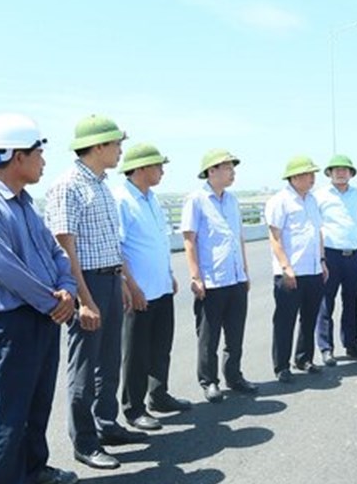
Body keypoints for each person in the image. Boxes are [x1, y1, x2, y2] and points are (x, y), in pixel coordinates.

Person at [0, 114, 79, 484]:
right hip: (12, 325)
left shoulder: (24, 202)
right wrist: (54, 301)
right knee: (9, 414)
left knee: (37, 406)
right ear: (19, 157)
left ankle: (33, 469)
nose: (43, 161)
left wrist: (68, 290)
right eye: (39, 153)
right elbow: (3, 267)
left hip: (44, 316)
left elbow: (56, 254)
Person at [46, 115, 144, 471]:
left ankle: (107, 424)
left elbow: (108, 242)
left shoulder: (101, 185)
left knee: (108, 359)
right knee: (85, 366)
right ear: (98, 146)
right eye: (116, 144)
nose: (121, 150)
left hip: (107, 278)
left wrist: (121, 281)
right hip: (84, 281)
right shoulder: (69, 185)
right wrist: (84, 299)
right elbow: (64, 248)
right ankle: (85, 442)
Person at [115, 143, 191, 433]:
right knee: (135, 353)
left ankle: (159, 394)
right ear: (142, 168)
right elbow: (118, 248)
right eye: (158, 165)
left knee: (161, 347)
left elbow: (159, 241)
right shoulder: (122, 199)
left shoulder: (152, 199)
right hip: (139, 291)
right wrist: (131, 286)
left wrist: (169, 273)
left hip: (160, 286)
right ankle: (134, 409)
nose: (162, 170)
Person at [181, 149, 258, 400]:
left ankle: (234, 376)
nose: (232, 172)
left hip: (235, 278)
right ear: (211, 171)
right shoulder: (196, 200)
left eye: (232, 168)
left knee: (235, 334)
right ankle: (209, 381)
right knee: (209, 336)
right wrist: (195, 277)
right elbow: (189, 240)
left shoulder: (232, 200)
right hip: (211, 281)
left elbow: (238, 237)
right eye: (227, 168)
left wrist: (244, 272)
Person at [265, 155, 328, 383]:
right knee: (285, 320)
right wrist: (285, 267)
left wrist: (322, 260)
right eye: (308, 174)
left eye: (313, 174)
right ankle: (281, 366)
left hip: (313, 270)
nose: (312, 178)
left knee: (309, 318)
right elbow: (275, 237)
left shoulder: (312, 200)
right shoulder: (279, 201)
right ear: (295, 177)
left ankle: (303, 358)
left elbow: (317, 232)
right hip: (290, 272)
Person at [314, 154, 357, 366]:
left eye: (345, 169)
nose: (341, 172)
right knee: (326, 303)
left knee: (351, 302)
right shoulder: (320, 196)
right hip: (330, 255)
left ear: (351, 173)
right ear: (329, 173)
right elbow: (315, 228)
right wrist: (319, 258)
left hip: (353, 256)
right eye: (336, 169)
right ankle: (326, 347)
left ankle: (351, 344)